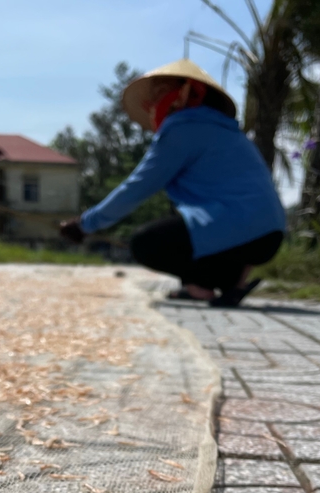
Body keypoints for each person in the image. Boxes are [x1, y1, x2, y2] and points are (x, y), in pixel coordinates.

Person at [60, 59, 286, 307]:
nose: (154, 104)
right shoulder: (223, 129)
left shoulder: (184, 126)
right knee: (185, 227)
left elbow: (137, 187)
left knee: (146, 243)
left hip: (240, 230)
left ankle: (204, 285)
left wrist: (85, 224)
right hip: (269, 234)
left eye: (160, 93)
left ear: (187, 92)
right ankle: (232, 278)